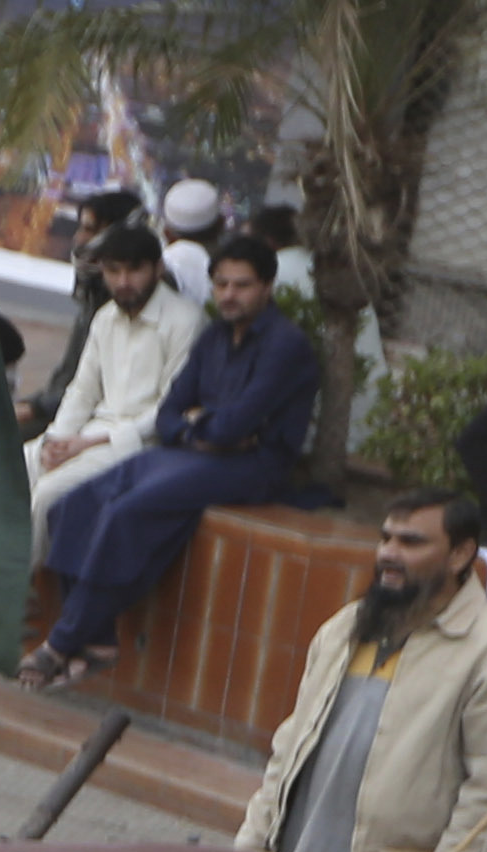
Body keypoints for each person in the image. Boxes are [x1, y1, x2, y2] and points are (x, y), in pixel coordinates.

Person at [35, 242, 324, 684]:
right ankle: (98, 637)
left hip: (254, 465)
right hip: (191, 453)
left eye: (241, 285)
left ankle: (61, 641)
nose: (229, 295)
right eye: (222, 284)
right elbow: (172, 412)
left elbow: (237, 426)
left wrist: (202, 426)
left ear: (266, 287)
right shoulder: (214, 336)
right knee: (73, 504)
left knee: (125, 513)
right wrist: (198, 429)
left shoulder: (286, 346)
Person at [241, 489, 487, 852]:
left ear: (460, 555)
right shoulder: (345, 628)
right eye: (386, 538)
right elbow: (289, 747)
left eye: (411, 542)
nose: (389, 553)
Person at [19, 229, 195, 525]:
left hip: (136, 445)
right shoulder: (105, 317)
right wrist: (57, 440)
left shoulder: (185, 321)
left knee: (49, 494)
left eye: (134, 270)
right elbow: (82, 390)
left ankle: (23, 572)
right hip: (89, 434)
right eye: (114, 271)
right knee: (5, 469)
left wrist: (85, 444)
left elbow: (169, 409)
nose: (123, 282)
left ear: (158, 268)